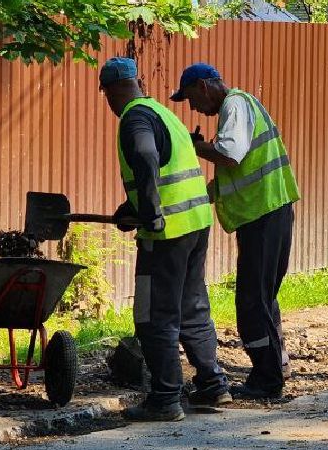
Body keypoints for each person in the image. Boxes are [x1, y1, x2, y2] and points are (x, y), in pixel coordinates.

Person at [99, 57, 231, 421]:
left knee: (154, 316)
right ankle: (213, 385)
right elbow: (168, 165)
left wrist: (151, 210)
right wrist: (134, 205)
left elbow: (144, 154)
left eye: (107, 96)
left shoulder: (134, 117)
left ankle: (165, 398)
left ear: (109, 92)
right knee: (192, 308)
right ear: (138, 81)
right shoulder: (163, 114)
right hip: (196, 222)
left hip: (167, 231)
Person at [172, 62, 300, 399]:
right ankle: (275, 367)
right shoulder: (240, 107)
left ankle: (267, 380)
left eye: (190, 98)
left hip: (263, 214)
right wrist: (201, 195)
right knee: (261, 298)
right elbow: (234, 173)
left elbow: (229, 155)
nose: (194, 108)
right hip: (268, 213)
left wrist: (193, 147)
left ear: (203, 86)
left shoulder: (235, 104)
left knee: (251, 303)